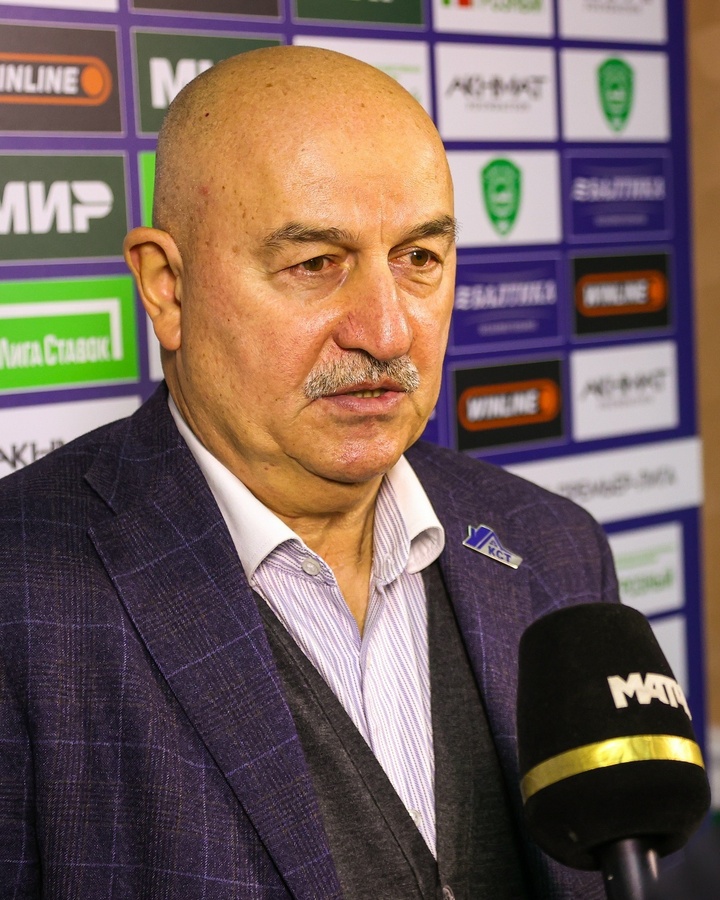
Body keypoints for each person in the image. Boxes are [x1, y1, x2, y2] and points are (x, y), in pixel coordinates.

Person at [0, 47, 616, 898]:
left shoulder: (555, 550)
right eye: (316, 264)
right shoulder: (21, 591)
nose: (387, 332)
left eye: (419, 258)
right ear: (167, 287)